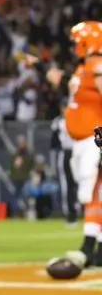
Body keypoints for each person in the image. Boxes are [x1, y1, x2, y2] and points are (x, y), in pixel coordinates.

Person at [48, 22, 102, 266]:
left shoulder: (96, 66)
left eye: (75, 42)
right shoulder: (85, 68)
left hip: (94, 139)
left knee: (94, 194)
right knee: (91, 195)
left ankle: (92, 245)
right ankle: (94, 245)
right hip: (83, 140)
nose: (73, 47)